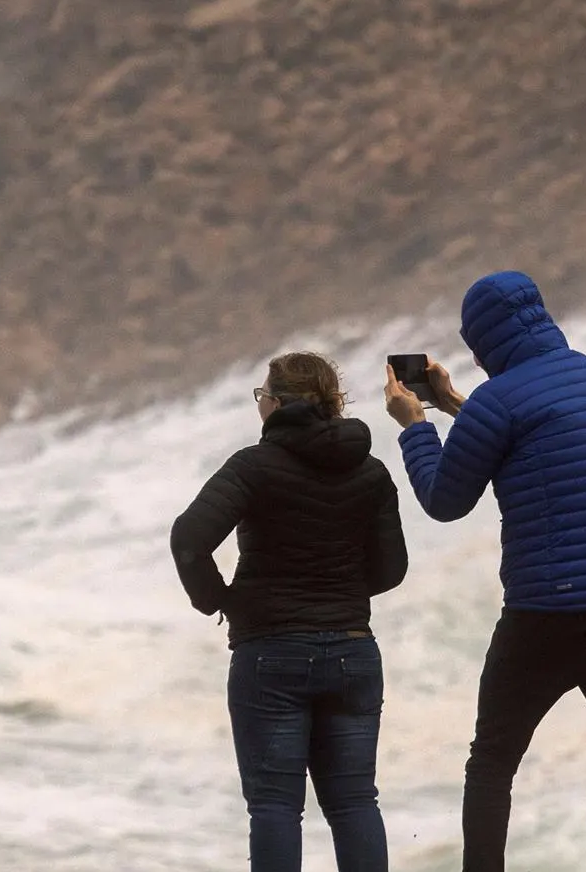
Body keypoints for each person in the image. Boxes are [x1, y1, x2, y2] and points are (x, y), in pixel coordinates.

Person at [383, 270, 586, 872]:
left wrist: (417, 426)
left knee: (492, 762)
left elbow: (444, 501)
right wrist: (454, 404)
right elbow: (535, 436)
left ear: (482, 344)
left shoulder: (499, 403)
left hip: (545, 614)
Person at [170, 352, 408, 872]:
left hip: (270, 655)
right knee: (354, 803)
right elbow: (392, 570)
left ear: (274, 403)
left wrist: (221, 600)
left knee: (276, 807)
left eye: (262, 397)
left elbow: (189, 540)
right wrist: (336, 594)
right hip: (352, 650)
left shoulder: (252, 468)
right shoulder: (371, 471)